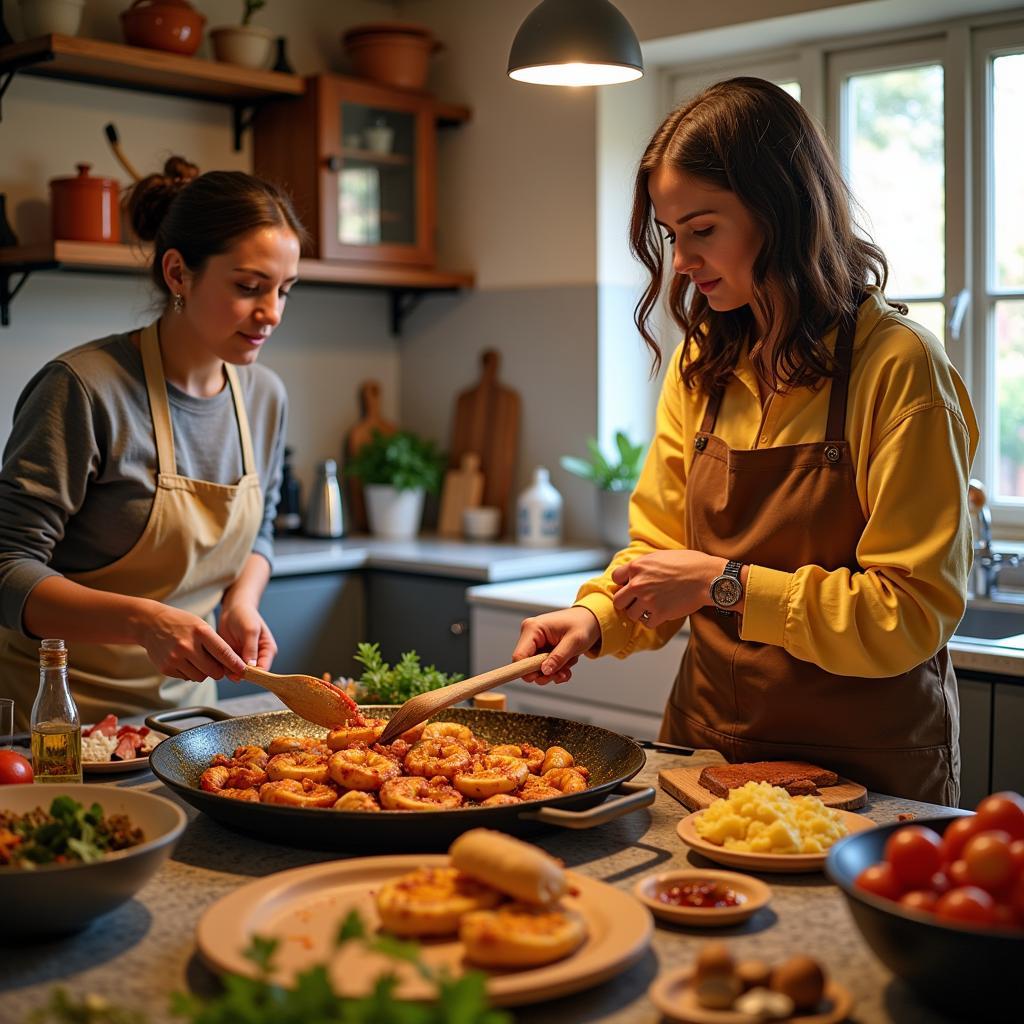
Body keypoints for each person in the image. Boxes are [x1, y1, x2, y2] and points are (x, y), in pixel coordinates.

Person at [512, 78, 978, 806]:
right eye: (671, 236)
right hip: (706, 753)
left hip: (870, 774)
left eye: (703, 230)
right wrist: (595, 616)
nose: (682, 264)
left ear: (782, 212)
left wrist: (721, 583)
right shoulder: (702, 368)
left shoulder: (901, 368)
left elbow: (909, 614)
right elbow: (656, 554)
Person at [0, 159, 306, 729]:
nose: (272, 313)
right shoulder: (84, 389)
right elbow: (7, 569)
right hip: (55, 724)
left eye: (285, 290)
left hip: (181, 724)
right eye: (248, 287)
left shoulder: (264, 395)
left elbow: (259, 531)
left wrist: (241, 602)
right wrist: (144, 623)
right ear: (177, 274)